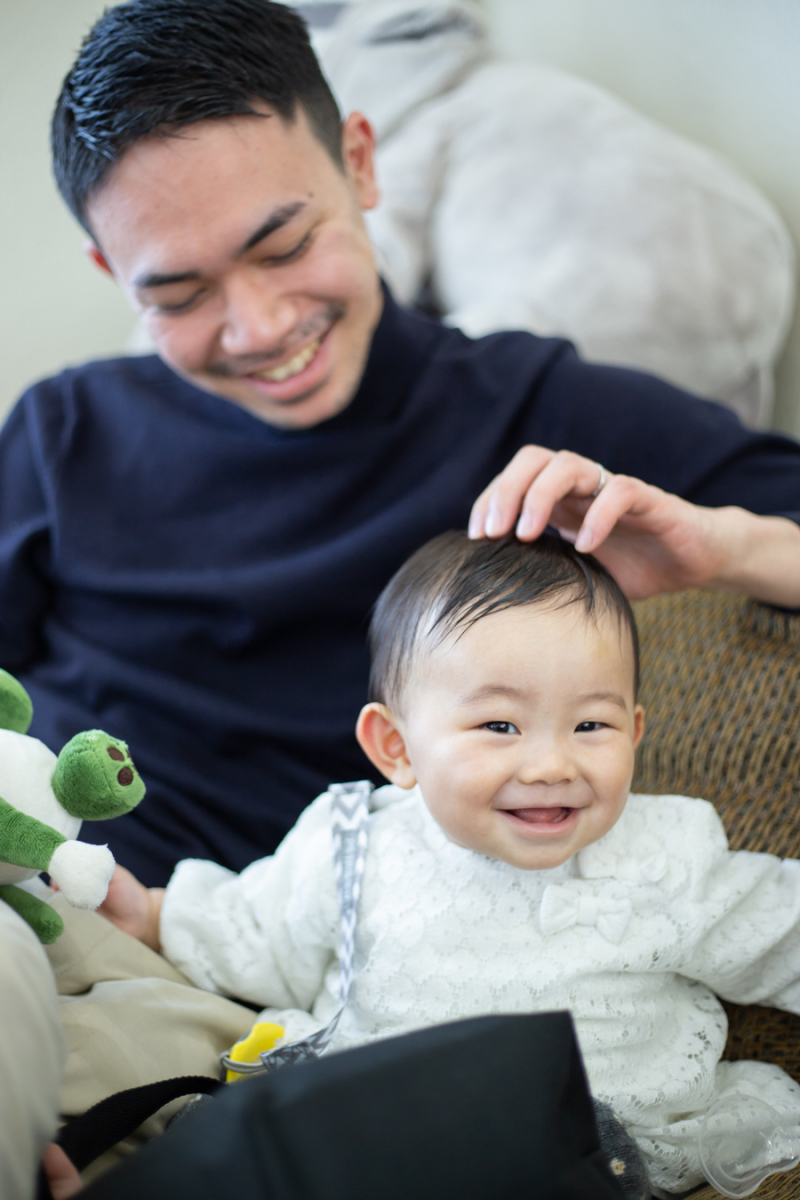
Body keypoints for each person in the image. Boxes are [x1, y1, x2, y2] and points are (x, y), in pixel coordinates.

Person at [4, 0, 800, 886]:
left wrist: (724, 545)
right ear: (115, 274)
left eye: (286, 245)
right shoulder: (63, 430)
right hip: (41, 879)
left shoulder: (533, 411)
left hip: (259, 956)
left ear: (359, 162)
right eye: (182, 296)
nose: (259, 328)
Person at [95, 531, 800, 1196]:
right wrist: (158, 916)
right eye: (499, 726)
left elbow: (781, 929)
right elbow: (257, 931)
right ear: (396, 747)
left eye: (592, 725)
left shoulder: (665, 859)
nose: (553, 764)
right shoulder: (352, 841)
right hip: (368, 1132)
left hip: (576, 1154)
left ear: (636, 730)